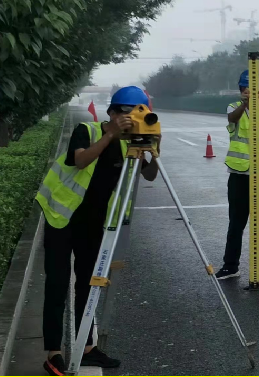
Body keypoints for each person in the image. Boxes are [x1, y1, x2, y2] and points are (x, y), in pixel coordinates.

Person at [36, 86, 161, 375]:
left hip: (92, 221)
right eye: (128, 113)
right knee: (57, 282)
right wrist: (110, 135)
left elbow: (151, 175)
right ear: (113, 113)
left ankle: (86, 348)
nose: (132, 119)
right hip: (61, 214)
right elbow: (80, 160)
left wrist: (151, 146)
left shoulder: (132, 142)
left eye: (139, 113)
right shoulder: (87, 130)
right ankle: (53, 352)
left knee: (88, 283)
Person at [215, 70, 259, 281]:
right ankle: (230, 265)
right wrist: (246, 105)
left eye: (255, 89)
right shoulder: (234, 108)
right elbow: (231, 118)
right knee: (236, 222)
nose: (250, 92)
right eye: (246, 89)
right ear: (240, 91)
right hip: (239, 173)